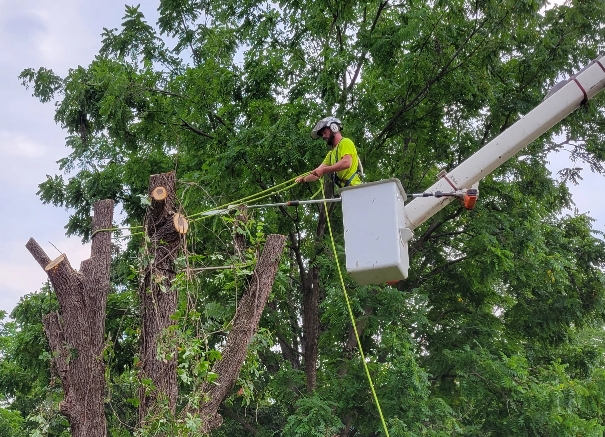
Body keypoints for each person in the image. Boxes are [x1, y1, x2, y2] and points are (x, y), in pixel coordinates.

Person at [295, 116, 362, 187]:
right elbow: (317, 173)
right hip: (345, 190)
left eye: (324, 132)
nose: (323, 136)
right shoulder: (330, 155)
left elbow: (346, 163)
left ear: (334, 128)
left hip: (355, 188)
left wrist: (324, 170)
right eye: (322, 134)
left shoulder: (345, 142)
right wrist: (303, 179)